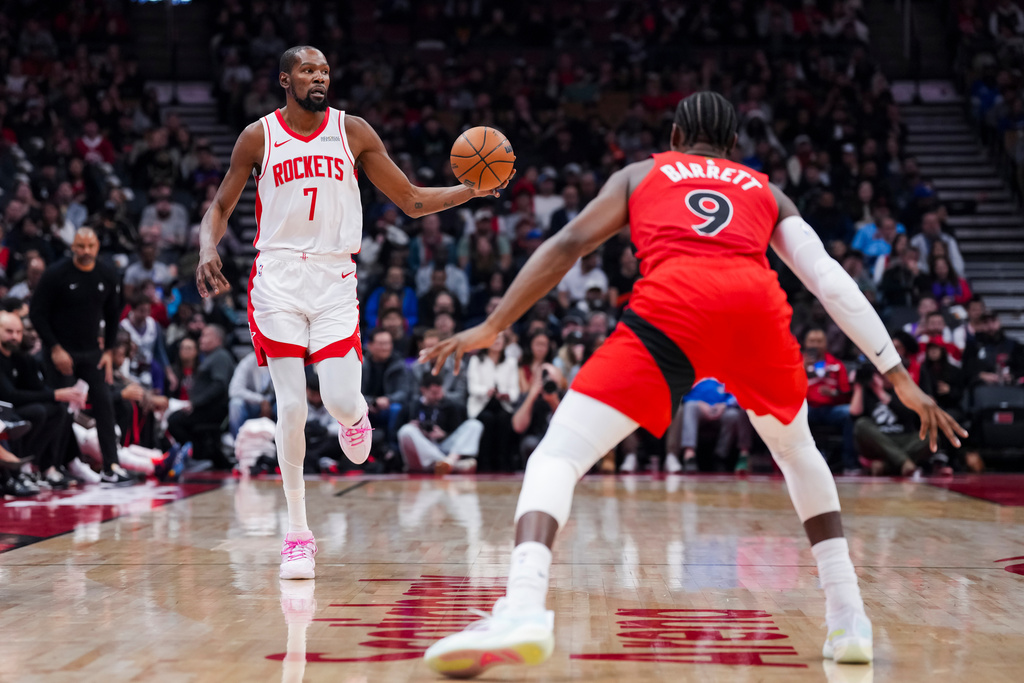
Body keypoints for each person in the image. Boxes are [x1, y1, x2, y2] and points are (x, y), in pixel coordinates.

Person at [421, 92, 965, 676]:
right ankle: (848, 616)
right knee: (797, 452)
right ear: (735, 145)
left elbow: (568, 246)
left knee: (558, 455)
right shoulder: (765, 188)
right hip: (754, 309)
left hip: (673, 308)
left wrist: (495, 324)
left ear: (676, 134)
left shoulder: (642, 173)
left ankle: (524, 606)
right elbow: (829, 282)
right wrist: (899, 376)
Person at [195, 46, 508, 581]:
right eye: (307, 71)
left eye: (324, 70)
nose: (319, 77)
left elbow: (409, 200)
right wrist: (207, 248)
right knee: (290, 408)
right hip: (277, 279)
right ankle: (297, 534)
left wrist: (470, 190)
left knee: (340, 400)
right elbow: (221, 207)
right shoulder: (258, 136)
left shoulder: (353, 131)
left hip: (336, 280)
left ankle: (354, 417)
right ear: (284, 80)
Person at [30, 228, 134, 486]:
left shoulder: (107, 273)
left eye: (90, 246)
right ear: (73, 247)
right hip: (60, 352)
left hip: (92, 352)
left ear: (97, 247)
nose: (86, 251)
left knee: (105, 405)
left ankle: (111, 465)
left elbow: (113, 314)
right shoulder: (56, 273)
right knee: (62, 409)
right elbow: (37, 313)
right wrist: (54, 348)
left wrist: (109, 350)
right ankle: (50, 467)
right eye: (80, 246)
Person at [0, 311, 86, 489]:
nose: (15, 337)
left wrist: (62, 394)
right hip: (5, 409)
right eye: (9, 331)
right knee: (37, 412)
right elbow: (9, 395)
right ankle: (15, 470)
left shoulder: (20, 358)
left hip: (13, 409)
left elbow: (37, 388)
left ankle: (36, 465)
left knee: (58, 409)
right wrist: (54, 394)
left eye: (18, 332)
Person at [396, 373, 483, 474]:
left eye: (440, 392)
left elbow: (457, 434)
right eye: (434, 393)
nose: (438, 396)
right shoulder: (411, 407)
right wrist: (417, 431)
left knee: (474, 425)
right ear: (423, 390)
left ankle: (448, 462)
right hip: (421, 451)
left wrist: (443, 435)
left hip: (443, 447)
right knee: (406, 431)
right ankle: (452, 465)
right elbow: (395, 434)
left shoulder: (450, 405)